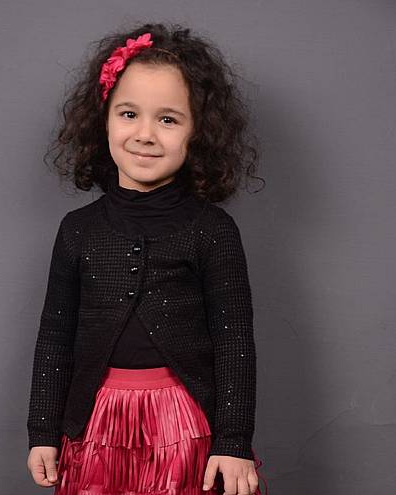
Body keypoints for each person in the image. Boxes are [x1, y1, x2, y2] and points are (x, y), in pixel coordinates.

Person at [26, 22, 268, 495]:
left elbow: (235, 341)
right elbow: (55, 337)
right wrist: (42, 432)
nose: (145, 134)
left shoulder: (213, 230)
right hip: (96, 428)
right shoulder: (78, 230)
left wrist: (234, 441)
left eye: (168, 119)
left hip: (186, 428)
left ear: (199, 132)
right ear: (104, 121)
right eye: (129, 113)